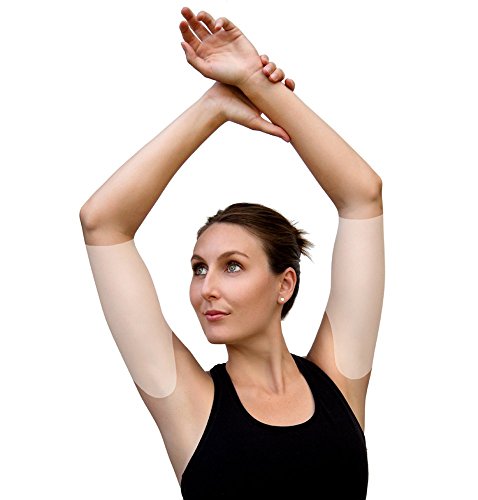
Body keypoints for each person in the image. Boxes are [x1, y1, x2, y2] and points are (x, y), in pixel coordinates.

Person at [79, 6, 385, 499]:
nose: (207, 288)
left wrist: (259, 85)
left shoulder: (339, 382)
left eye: (233, 266)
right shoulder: (189, 402)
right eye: (199, 269)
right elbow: (103, 223)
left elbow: (362, 196)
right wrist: (214, 107)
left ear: (285, 284)